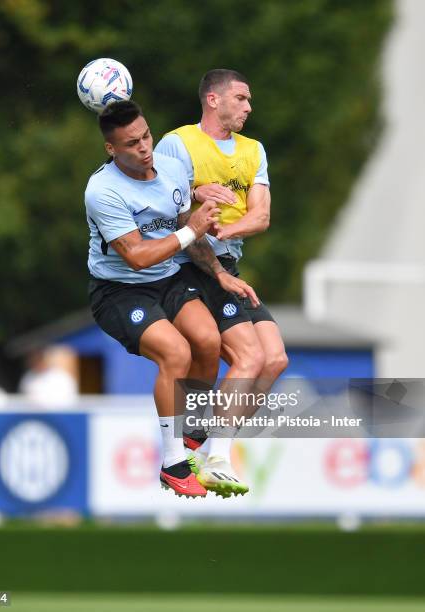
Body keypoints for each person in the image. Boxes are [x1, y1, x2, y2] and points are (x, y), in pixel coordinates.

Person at [85, 100, 259, 498]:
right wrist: (192, 230)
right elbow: (137, 255)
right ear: (112, 150)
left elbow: (184, 224)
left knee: (209, 342)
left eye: (146, 136)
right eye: (131, 144)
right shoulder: (103, 190)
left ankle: (191, 439)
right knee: (176, 353)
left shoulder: (173, 167)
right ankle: (173, 464)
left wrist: (218, 273)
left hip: (169, 279)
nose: (144, 147)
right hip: (120, 290)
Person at [155, 69, 289, 492]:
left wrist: (224, 231)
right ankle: (216, 457)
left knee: (275, 360)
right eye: (242, 99)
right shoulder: (177, 143)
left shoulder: (253, 151)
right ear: (213, 100)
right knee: (248, 357)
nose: (249, 107)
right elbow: (168, 210)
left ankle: (207, 440)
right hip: (192, 264)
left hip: (227, 262)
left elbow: (261, 215)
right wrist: (198, 200)